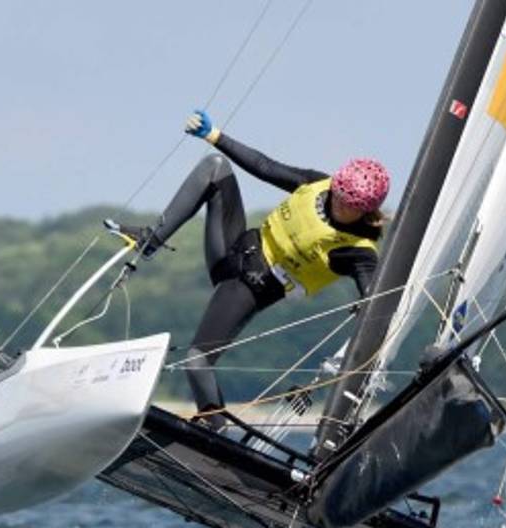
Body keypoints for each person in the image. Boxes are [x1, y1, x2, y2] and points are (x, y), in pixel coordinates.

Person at [112, 110, 390, 430]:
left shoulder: (358, 250)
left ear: (366, 209)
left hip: (249, 287)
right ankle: (152, 240)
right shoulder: (318, 185)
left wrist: (370, 303)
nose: (339, 205)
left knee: (197, 360)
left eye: (349, 206)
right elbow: (265, 167)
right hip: (230, 251)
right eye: (339, 196)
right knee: (215, 169)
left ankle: (213, 429)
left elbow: (376, 293)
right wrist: (214, 135)